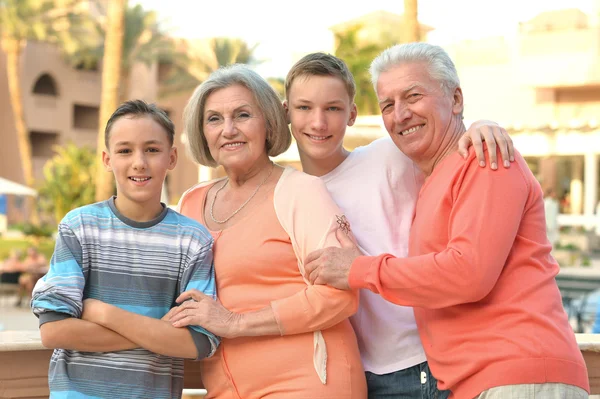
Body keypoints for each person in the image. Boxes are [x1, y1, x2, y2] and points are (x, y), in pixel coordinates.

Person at [304, 43, 589, 399]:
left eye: (413, 96)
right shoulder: (434, 176)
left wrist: (358, 269)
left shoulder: (485, 159)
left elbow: (468, 273)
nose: (401, 114)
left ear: (456, 100)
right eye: (388, 105)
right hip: (482, 382)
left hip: (518, 376)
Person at [282, 52, 515, 399]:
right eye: (304, 108)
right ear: (286, 111)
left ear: (353, 114)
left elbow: (448, 143)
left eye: (332, 108)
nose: (318, 123)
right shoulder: (289, 195)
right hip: (358, 372)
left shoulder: (387, 156)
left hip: (425, 362)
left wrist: (483, 125)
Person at [166, 64, 367, 398]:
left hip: (309, 381)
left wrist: (233, 323)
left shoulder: (301, 192)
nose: (228, 130)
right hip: (223, 386)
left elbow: (339, 297)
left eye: (243, 115)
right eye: (214, 119)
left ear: (269, 122)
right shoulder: (191, 202)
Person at [31, 100, 219, 399]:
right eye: (125, 150)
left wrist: (102, 313)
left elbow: (196, 342)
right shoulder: (79, 227)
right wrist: (157, 332)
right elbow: (54, 331)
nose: (139, 162)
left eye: (152, 149)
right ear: (107, 159)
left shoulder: (194, 241)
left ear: (172, 157)